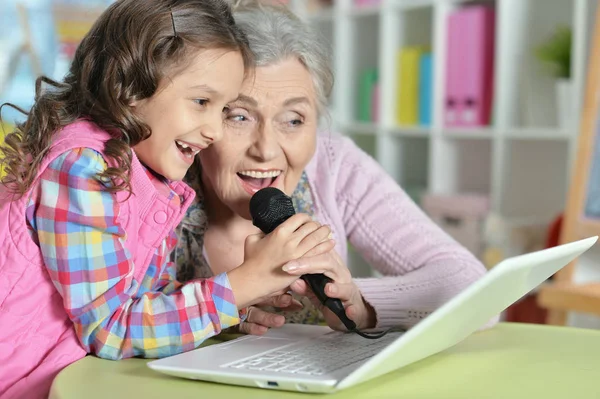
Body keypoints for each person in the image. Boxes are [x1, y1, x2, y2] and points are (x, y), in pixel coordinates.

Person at [0, 1, 334, 398]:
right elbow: (109, 329)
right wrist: (239, 286)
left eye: (225, 110)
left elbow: (139, 297)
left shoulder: (144, 177)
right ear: (130, 87)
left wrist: (232, 308)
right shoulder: (81, 168)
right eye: (201, 102)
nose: (213, 130)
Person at [174, 0, 498, 336]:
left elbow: (475, 288)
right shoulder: (163, 170)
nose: (266, 149)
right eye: (238, 116)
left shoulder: (333, 164)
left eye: (293, 119)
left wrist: (363, 303)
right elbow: (120, 318)